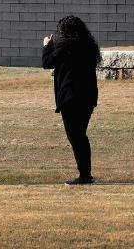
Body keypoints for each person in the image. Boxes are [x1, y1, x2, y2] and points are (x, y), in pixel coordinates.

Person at [42, 15, 102, 185]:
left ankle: (85, 176)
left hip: (71, 97)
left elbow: (47, 63)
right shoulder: (89, 45)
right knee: (80, 135)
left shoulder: (66, 46)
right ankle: (86, 173)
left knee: (75, 137)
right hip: (88, 96)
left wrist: (47, 46)